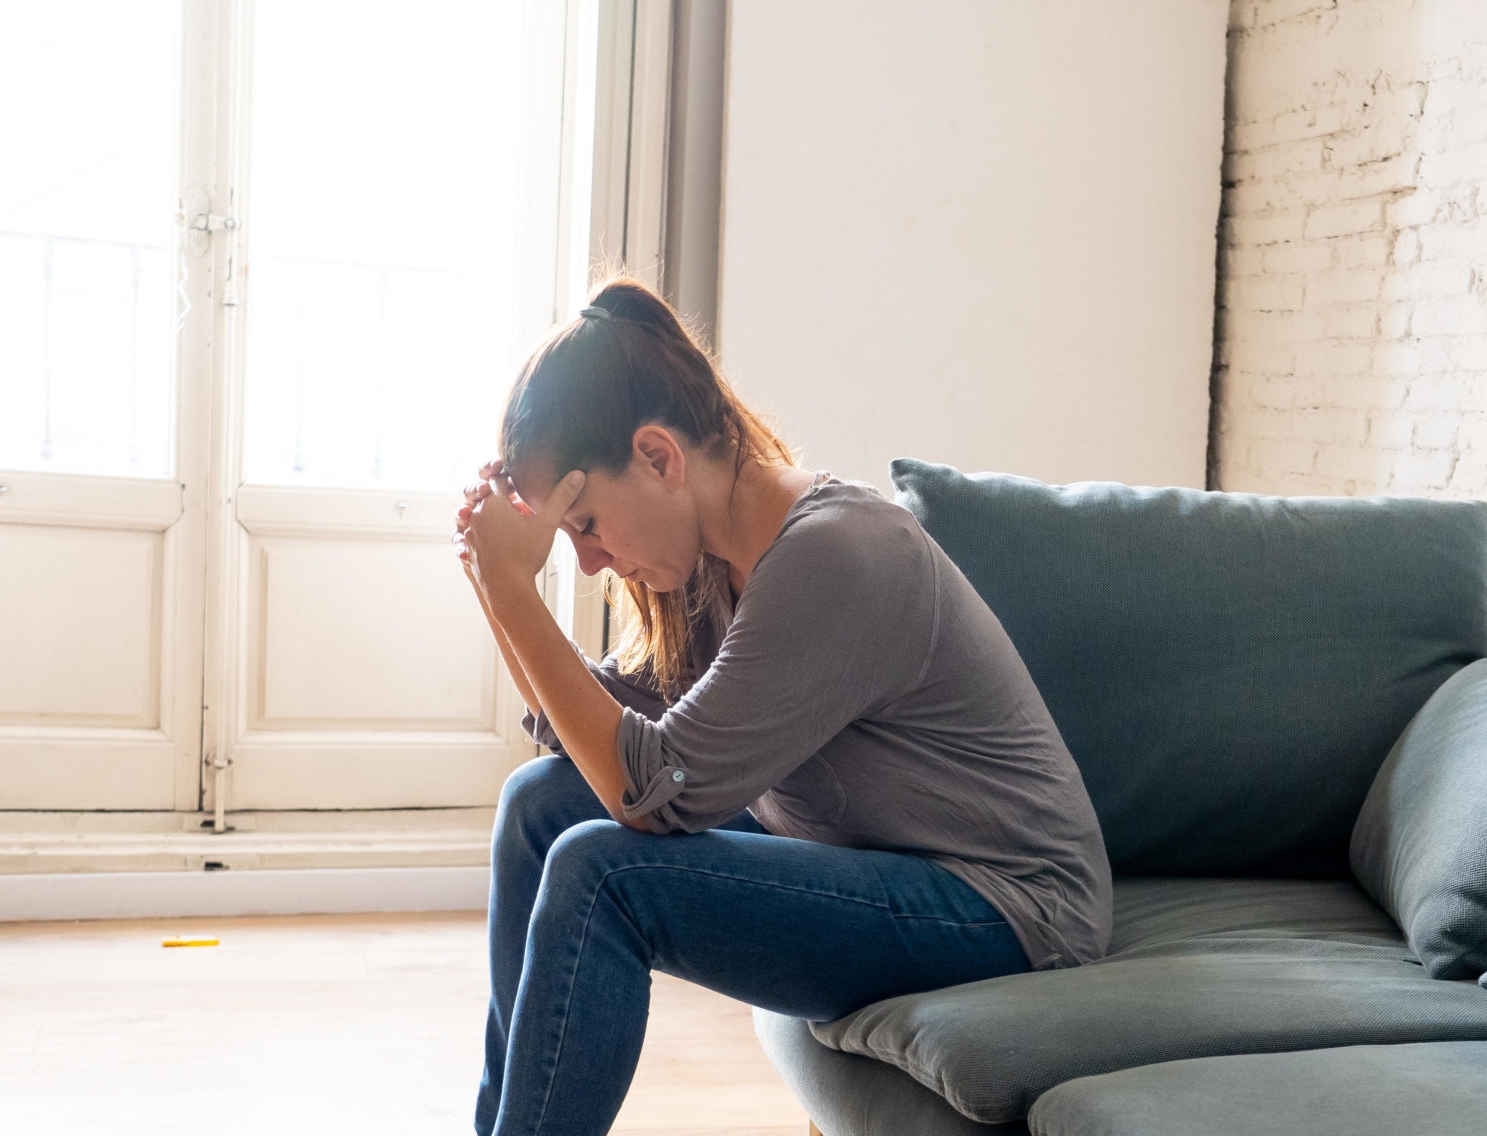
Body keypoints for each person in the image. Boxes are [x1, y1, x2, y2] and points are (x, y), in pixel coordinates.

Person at [452, 277, 1110, 1136]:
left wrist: (513, 592)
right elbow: (595, 742)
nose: (586, 563)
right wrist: (493, 584)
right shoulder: (709, 564)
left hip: (1005, 906)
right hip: (874, 854)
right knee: (538, 803)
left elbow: (652, 793)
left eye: (585, 524)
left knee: (603, 871)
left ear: (658, 457)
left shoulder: (836, 557)